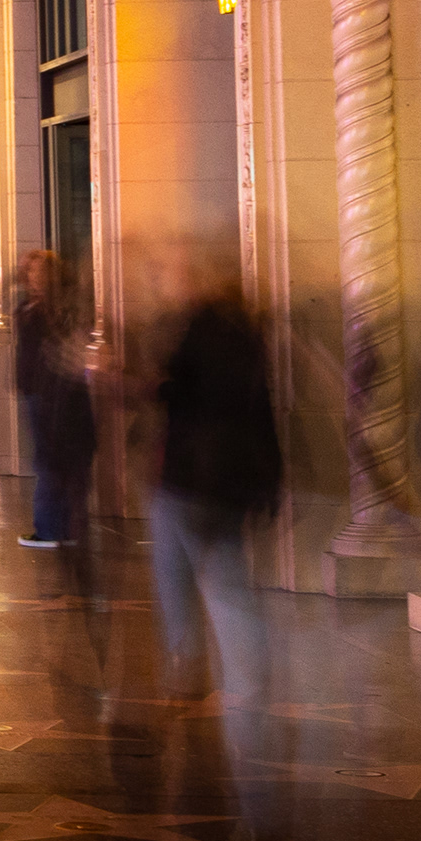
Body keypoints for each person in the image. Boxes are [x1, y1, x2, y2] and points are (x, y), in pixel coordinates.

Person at [149, 263, 282, 702]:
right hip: (226, 479)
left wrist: (149, 384)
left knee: (191, 574)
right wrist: (270, 480)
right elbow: (260, 413)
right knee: (215, 572)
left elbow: (179, 389)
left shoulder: (202, 329)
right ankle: (232, 668)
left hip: (192, 478)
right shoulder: (248, 337)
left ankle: (203, 665)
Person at [11, 251, 96, 549]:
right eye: (30, 271)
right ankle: (63, 526)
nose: (34, 277)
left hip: (52, 392)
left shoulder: (55, 309)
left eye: (40, 272)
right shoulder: (28, 306)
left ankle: (50, 528)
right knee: (53, 457)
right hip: (39, 390)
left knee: (49, 458)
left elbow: (58, 346)